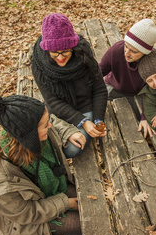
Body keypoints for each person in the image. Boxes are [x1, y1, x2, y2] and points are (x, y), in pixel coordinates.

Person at [0, 95, 85, 235]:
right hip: (29, 223)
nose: (49, 126)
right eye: (44, 126)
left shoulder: (28, 134)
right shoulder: (2, 178)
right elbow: (26, 213)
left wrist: (69, 131)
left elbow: (52, 121)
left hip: (51, 191)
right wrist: (66, 202)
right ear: (29, 136)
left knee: (87, 200)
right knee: (84, 223)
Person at [31, 13, 107, 157]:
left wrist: (97, 120)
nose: (60, 57)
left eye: (65, 51)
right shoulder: (39, 64)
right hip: (59, 112)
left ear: (73, 46)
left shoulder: (84, 56)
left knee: (73, 148)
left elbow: (99, 89)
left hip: (85, 107)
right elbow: (52, 101)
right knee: (63, 148)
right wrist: (82, 122)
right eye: (54, 52)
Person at [99, 18, 156, 138]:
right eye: (126, 46)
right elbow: (98, 72)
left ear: (145, 52)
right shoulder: (117, 50)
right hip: (114, 87)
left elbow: (153, 93)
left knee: (139, 127)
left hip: (140, 95)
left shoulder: (152, 63)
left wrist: (145, 117)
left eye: (134, 51)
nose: (126, 53)